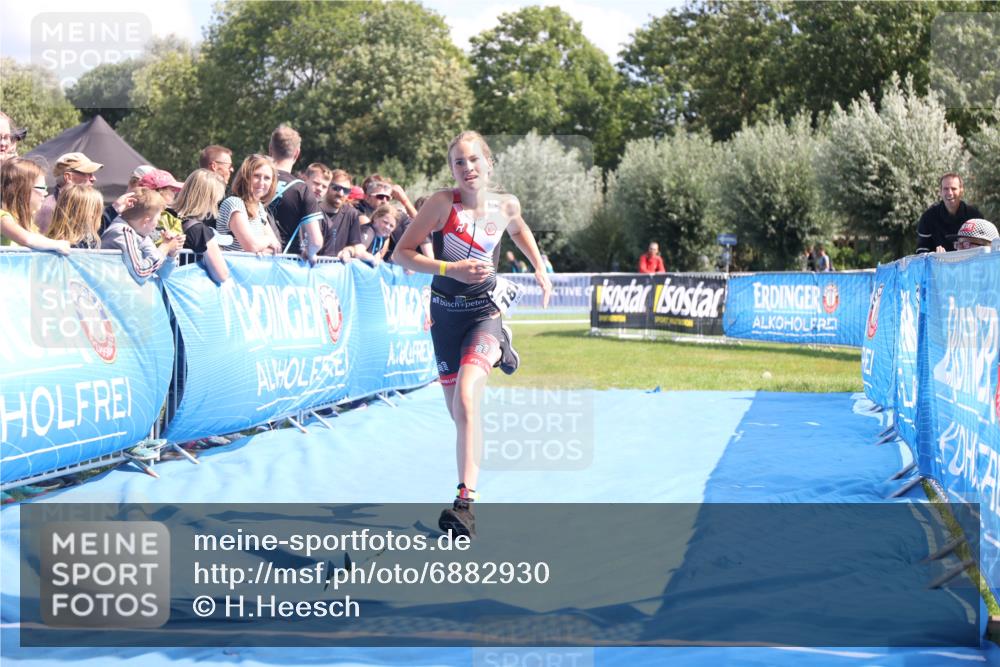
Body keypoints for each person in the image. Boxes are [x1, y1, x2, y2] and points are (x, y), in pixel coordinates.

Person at [394, 130, 552, 538]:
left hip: (484, 312)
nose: (467, 168)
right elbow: (402, 253)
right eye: (458, 163)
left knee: (467, 398)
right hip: (446, 317)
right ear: (452, 170)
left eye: (474, 160)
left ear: (489, 163)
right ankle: (503, 350)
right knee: (460, 415)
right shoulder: (440, 205)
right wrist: (452, 270)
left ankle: (465, 504)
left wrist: (538, 267)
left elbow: (519, 230)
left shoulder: (505, 205)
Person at [101, 187, 184, 285]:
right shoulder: (123, 232)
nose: (157, 224)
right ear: (146, 220)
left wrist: (171, 253)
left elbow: (163, 274)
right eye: (157, 220)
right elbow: (140, 273)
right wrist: (164, 247)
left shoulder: (141, 234)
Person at [267, 125, 323, 261]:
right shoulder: (301, 189)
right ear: (297, 153)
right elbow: (316, 241)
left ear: (270, 150)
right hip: (286, 263)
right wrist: (309, 253)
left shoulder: (254, 182)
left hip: (250, 261)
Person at [0, 158, 70, 253]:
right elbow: (27, 239)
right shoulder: (3, 218)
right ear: (22, 189)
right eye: (41, 187)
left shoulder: (29, 223)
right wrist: (57, 244)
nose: (45, 193)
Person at [173, 169, 230, 283]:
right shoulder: (200, 231)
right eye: (217, 199)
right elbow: (222, 275)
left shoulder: (166, 217)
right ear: (210, 199)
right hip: (187, 292)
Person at [217, 154, 282, 254]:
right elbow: (251, 246)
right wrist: (268, 240)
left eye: (267, 178)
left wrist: (263, 249)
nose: (261, 182)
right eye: (256, 176)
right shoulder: (234, 203)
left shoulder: (259, 207)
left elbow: (277, 247)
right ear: (245, 176)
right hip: (233, 268)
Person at [35, 152, 103, 235]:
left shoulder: (83, 205)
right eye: (88, 173)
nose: (93, 178)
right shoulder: (49, 207)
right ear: (68, 177)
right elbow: (43, 244)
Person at [916, 173, 983, 254]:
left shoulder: (974, 216)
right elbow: (922, 251)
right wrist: (934, 256)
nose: (950, 193)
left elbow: (984, 247)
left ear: (961, 191)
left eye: (954, 189)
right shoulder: (928, 217)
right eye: (945, 189)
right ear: (940, 191)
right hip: (939, 265)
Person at [318, 169, 364, 261]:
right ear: (327, 187)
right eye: (336, 188)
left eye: (346, 190)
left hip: (337, 270)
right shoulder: (312, 210)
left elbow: (356, 245)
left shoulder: (351, 214)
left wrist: (348, 251)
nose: (341, 193)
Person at [47, 184, 104, 249]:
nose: (96, 215)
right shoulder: (59, 244)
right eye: (94, 210)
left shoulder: (90, 238)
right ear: (76, 212)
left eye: (97, 210)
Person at [136, 169, 185, 244]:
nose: (174, 193)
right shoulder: (139, 217)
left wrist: (176, 241)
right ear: (159, 191)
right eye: (172, 189)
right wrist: (168, 244)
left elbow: (174, 251)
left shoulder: (170, 218)